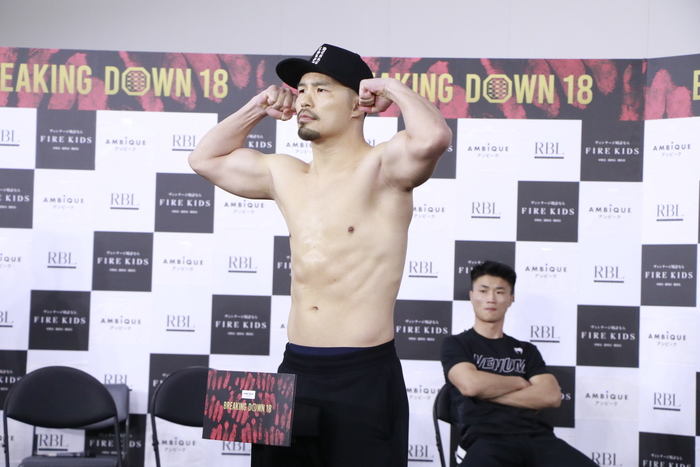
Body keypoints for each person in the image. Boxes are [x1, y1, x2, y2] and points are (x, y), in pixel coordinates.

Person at [189, 44, 452, 467]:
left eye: (322, 89)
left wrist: (389, 87)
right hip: (295, 370)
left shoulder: (383, 168)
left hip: (363, 375)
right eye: (301, 90)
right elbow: (204, 159)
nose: (304, 100)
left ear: (358, 104)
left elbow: (433, 137)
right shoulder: (285, 173)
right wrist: (257, 108)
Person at [440, 260, 597, 466]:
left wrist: (486, 394)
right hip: (486, 438)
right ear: (472, 296)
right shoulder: (456, 344)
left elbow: (551, 396)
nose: (491, 298)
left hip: (537, 437)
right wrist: (520, 382)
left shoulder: (527, 350)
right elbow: (471, 385)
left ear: (510, 299)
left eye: (500, 292)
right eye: (484, 291)